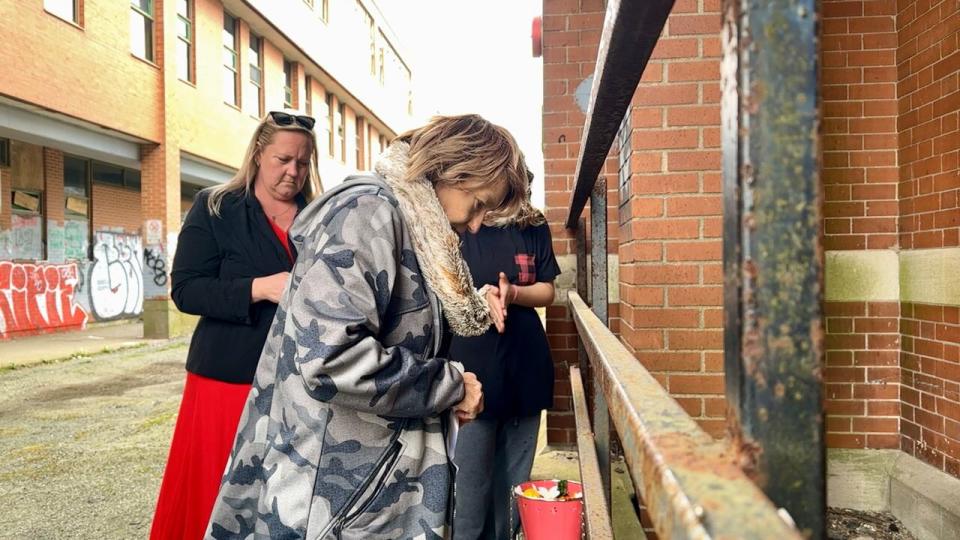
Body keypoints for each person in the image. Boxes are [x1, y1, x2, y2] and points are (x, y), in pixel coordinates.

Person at [206, 114, 531, 539]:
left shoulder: (411, 224)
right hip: (338, 494)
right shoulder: (367, 211)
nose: (475, 224)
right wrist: (449, 384)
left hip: (364, 485)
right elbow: (331, 358)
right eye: (480, 203)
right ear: (454, 170)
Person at [150, 110, 321, 540]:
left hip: (299, 380)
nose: (293, 171)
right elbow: (186, 290)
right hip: (226, 380)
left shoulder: (322, 217)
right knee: (214, 491)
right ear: (258, 153)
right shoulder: (215, 206)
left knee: (283, 496)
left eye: (302, 162)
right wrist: (259, 288)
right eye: (283, 159)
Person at [450, 171, 560, 540]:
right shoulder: (457, 221)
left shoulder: (533, 222)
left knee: (514, 488)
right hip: (470, 375)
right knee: (469, 488)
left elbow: (548, 290)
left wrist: (513, 293)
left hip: (525, 368)